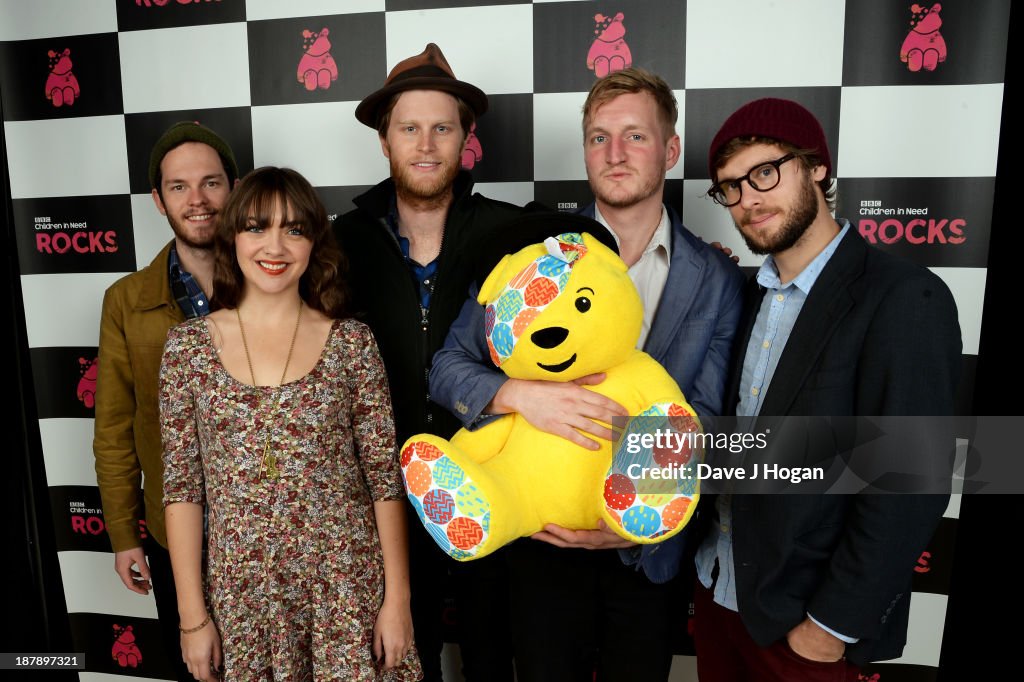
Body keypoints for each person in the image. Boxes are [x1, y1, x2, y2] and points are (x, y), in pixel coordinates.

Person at [429, 67, 745, 681]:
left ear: (671, 150)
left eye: (636, 136)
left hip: (646, 556)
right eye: (599, 138)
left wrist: (633, 522)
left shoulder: (717, 279)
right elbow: (446, 367)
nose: (615, 153)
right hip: (541, 540)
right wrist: (518, 395)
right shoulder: (531, 257)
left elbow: (708, 419)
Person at [694, 97, 962, 680]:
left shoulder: (903, 297)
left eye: (765, 172)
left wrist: (829, 627)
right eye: (730, 187)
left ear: (817, 167)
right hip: (720, 593)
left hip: (804, 628)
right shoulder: (749, 295)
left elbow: (910, 484)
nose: (749, 199)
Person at [160, 167, 420, 682]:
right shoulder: (186, 350)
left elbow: (384, 483)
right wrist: (193, 620)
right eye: (257, 227)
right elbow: (182, 491)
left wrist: (398, 600)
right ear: (232, 235)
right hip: (244, 602)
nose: (274, 246)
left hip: (347, 593)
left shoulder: (352, 344)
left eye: (294, 229)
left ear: (313, 242)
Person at [334, 43, 539, 682]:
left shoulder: (514, 233)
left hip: (494, 483)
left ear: (464, 139)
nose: (426, 145)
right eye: (409, 129)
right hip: (381, 498)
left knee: (493, 658)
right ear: (385, 142)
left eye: (442, 128)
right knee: (400, 660)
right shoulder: (337, 243)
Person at [93, 120, 238, 681]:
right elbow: (115, 427)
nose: (197, 200)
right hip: (174, 532)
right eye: (179, 187)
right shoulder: (126, 301)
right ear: (158, 200)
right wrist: (124, 534)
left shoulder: (276, 280)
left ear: (235, 188)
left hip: (267, 526)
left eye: (211, 183)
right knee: (196, 670)